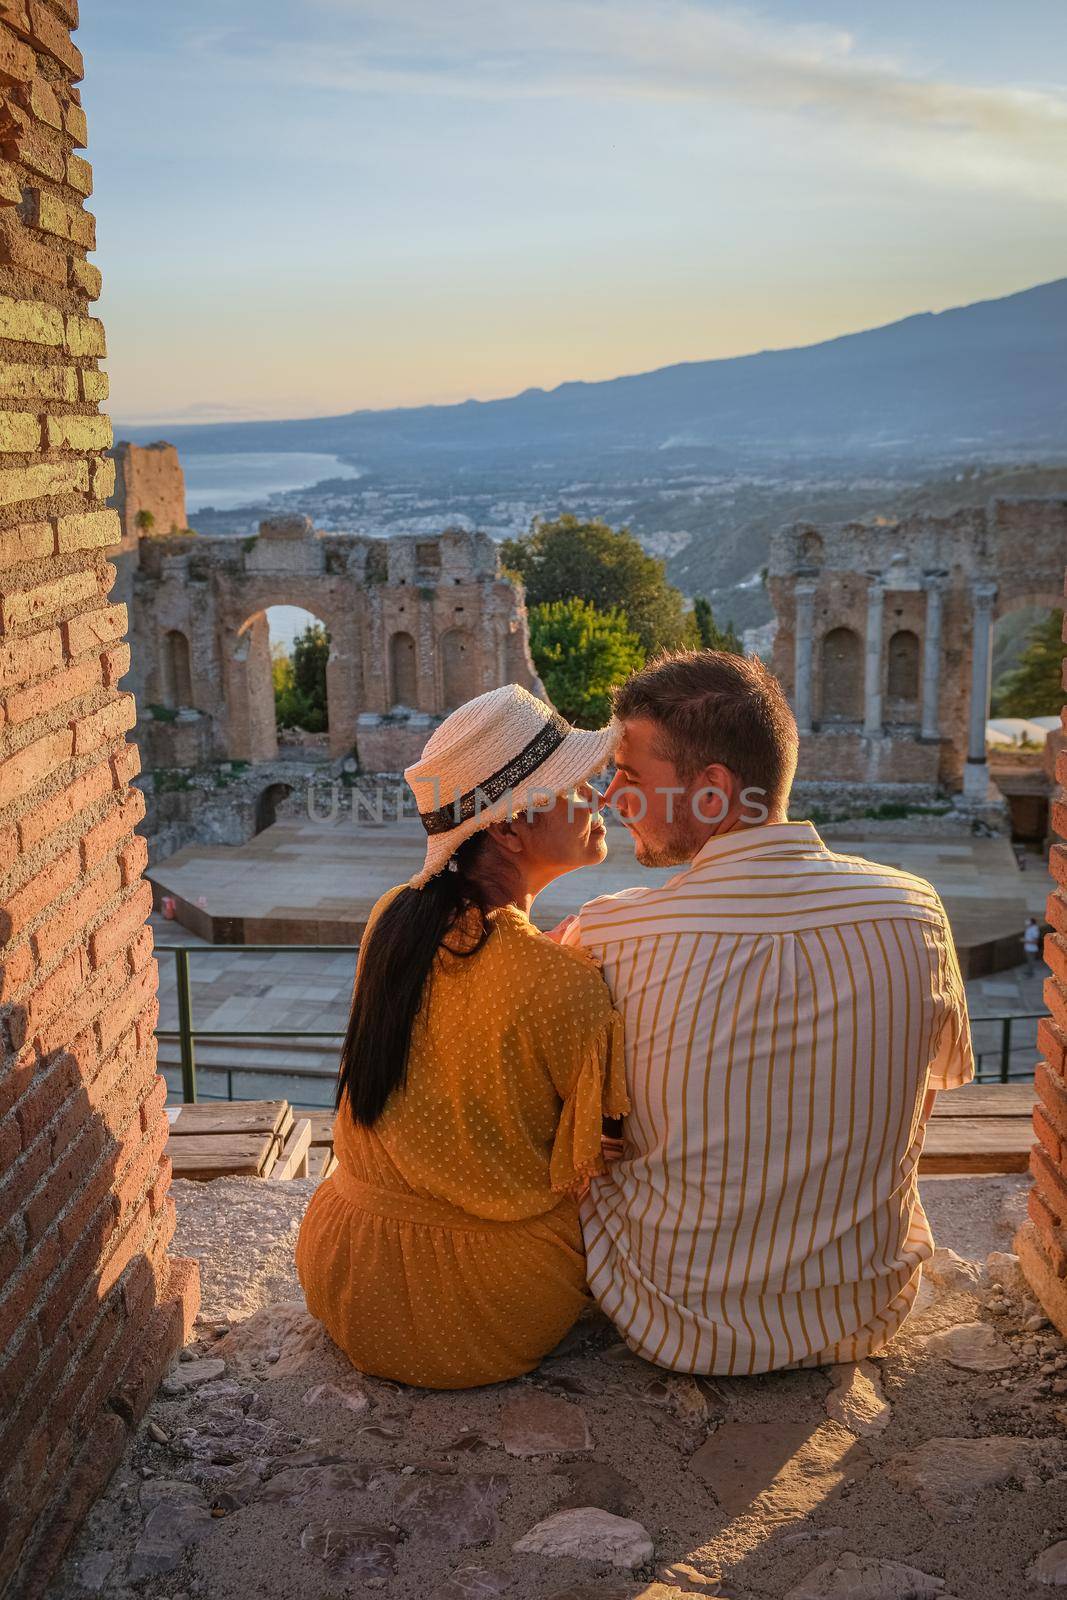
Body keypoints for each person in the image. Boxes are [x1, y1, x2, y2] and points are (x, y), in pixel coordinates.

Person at [561, 650, 975, 1375]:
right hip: (865, 1306)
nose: (609, 797)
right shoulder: (913, 909)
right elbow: (918, 1110)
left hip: (668, 1315)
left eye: (628, 776)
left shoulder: (608, 932)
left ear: (713, 790)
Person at [296, 684, 627, 1388]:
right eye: (573, 785)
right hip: (484, 1300)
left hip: (344, 1267)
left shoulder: (394, 917)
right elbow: (595, 1155)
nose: (597, 795)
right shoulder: (560, 981)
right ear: (507, 830)